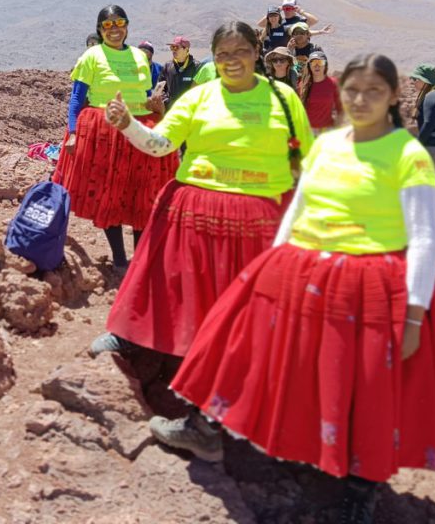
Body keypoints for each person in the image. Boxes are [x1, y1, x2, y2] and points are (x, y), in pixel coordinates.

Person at [163, 53, 435, 523]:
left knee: (367, 385)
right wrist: (272, 264)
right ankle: (207, 428)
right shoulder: (328, 145)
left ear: (393, 97)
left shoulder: (408, 155)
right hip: (306, 268)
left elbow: (424, 237)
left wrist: (413, 314)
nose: (361, 100)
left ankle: (361, 489)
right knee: (240, 340)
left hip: (375, 285)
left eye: (374, 91)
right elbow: (300, 206)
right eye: (353, 90)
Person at [92, 21, 313, 373]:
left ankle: (239, 367)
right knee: (164, 276)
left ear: (257, 52)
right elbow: (162, 144)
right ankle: (133, 336)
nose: (232, 60)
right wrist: (128, 125)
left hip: (262, 214)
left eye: (241, 51)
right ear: (213, 58)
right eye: (223, 53)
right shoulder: (198, 97)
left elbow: (304, 161)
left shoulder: (283, 98)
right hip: (194, 206)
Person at [52, 5, 178, 271]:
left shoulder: (139, 56)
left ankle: (140, 258)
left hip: (140, 127)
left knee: (143, 192)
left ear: (127, 25)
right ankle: (119, 258)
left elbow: (145, 94)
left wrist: (156, 108)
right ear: (100, 29)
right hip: (105, 131)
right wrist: (73, 133)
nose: (114, 29)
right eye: (107, 25)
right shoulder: (92, 56)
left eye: (119, 23)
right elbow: (76, 99)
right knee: (110, 193)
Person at [410, 64, 435, 214]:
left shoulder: (431, 96)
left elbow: (428, 123)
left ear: (424, 80)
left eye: (416, 79)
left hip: (431, 148)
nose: (413, 82)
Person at [299, 51, 343, 134]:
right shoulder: (303, 85)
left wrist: (337, 128)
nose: (317, 66)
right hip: (307, 130)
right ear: (309, 66)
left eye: (320, 62)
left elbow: (340, 109)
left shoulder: (333, 83)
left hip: (327, 131)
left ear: (325, 65)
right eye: (313, 62)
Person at [160, 35, 202, 111]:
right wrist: (167, 101)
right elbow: (160, 88)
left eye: (176, 47)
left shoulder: (197, 67)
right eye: (172, 47)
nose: (173, 50)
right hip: (171, 111)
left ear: (186, 49)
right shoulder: (167, 66)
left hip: (190, 111)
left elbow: (202, 90)